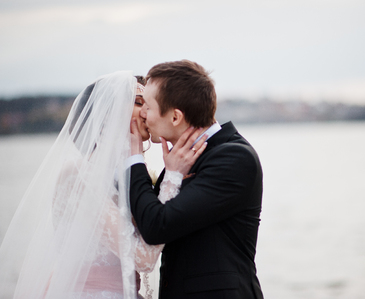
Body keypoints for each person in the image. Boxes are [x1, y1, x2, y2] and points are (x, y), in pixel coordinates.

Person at [0, 71, 206, 299]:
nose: (148, 112)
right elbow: (143, 259)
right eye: (140, 103)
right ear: (108, 114)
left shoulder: (136, 178)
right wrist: (173, 180)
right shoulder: (77, 176)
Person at [128, 60, 264, 298]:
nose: (143, 114)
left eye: (147, 106)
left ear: (175, 117)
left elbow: (156, 225)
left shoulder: (234, 158)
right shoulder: (178, 162)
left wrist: (135, 157)